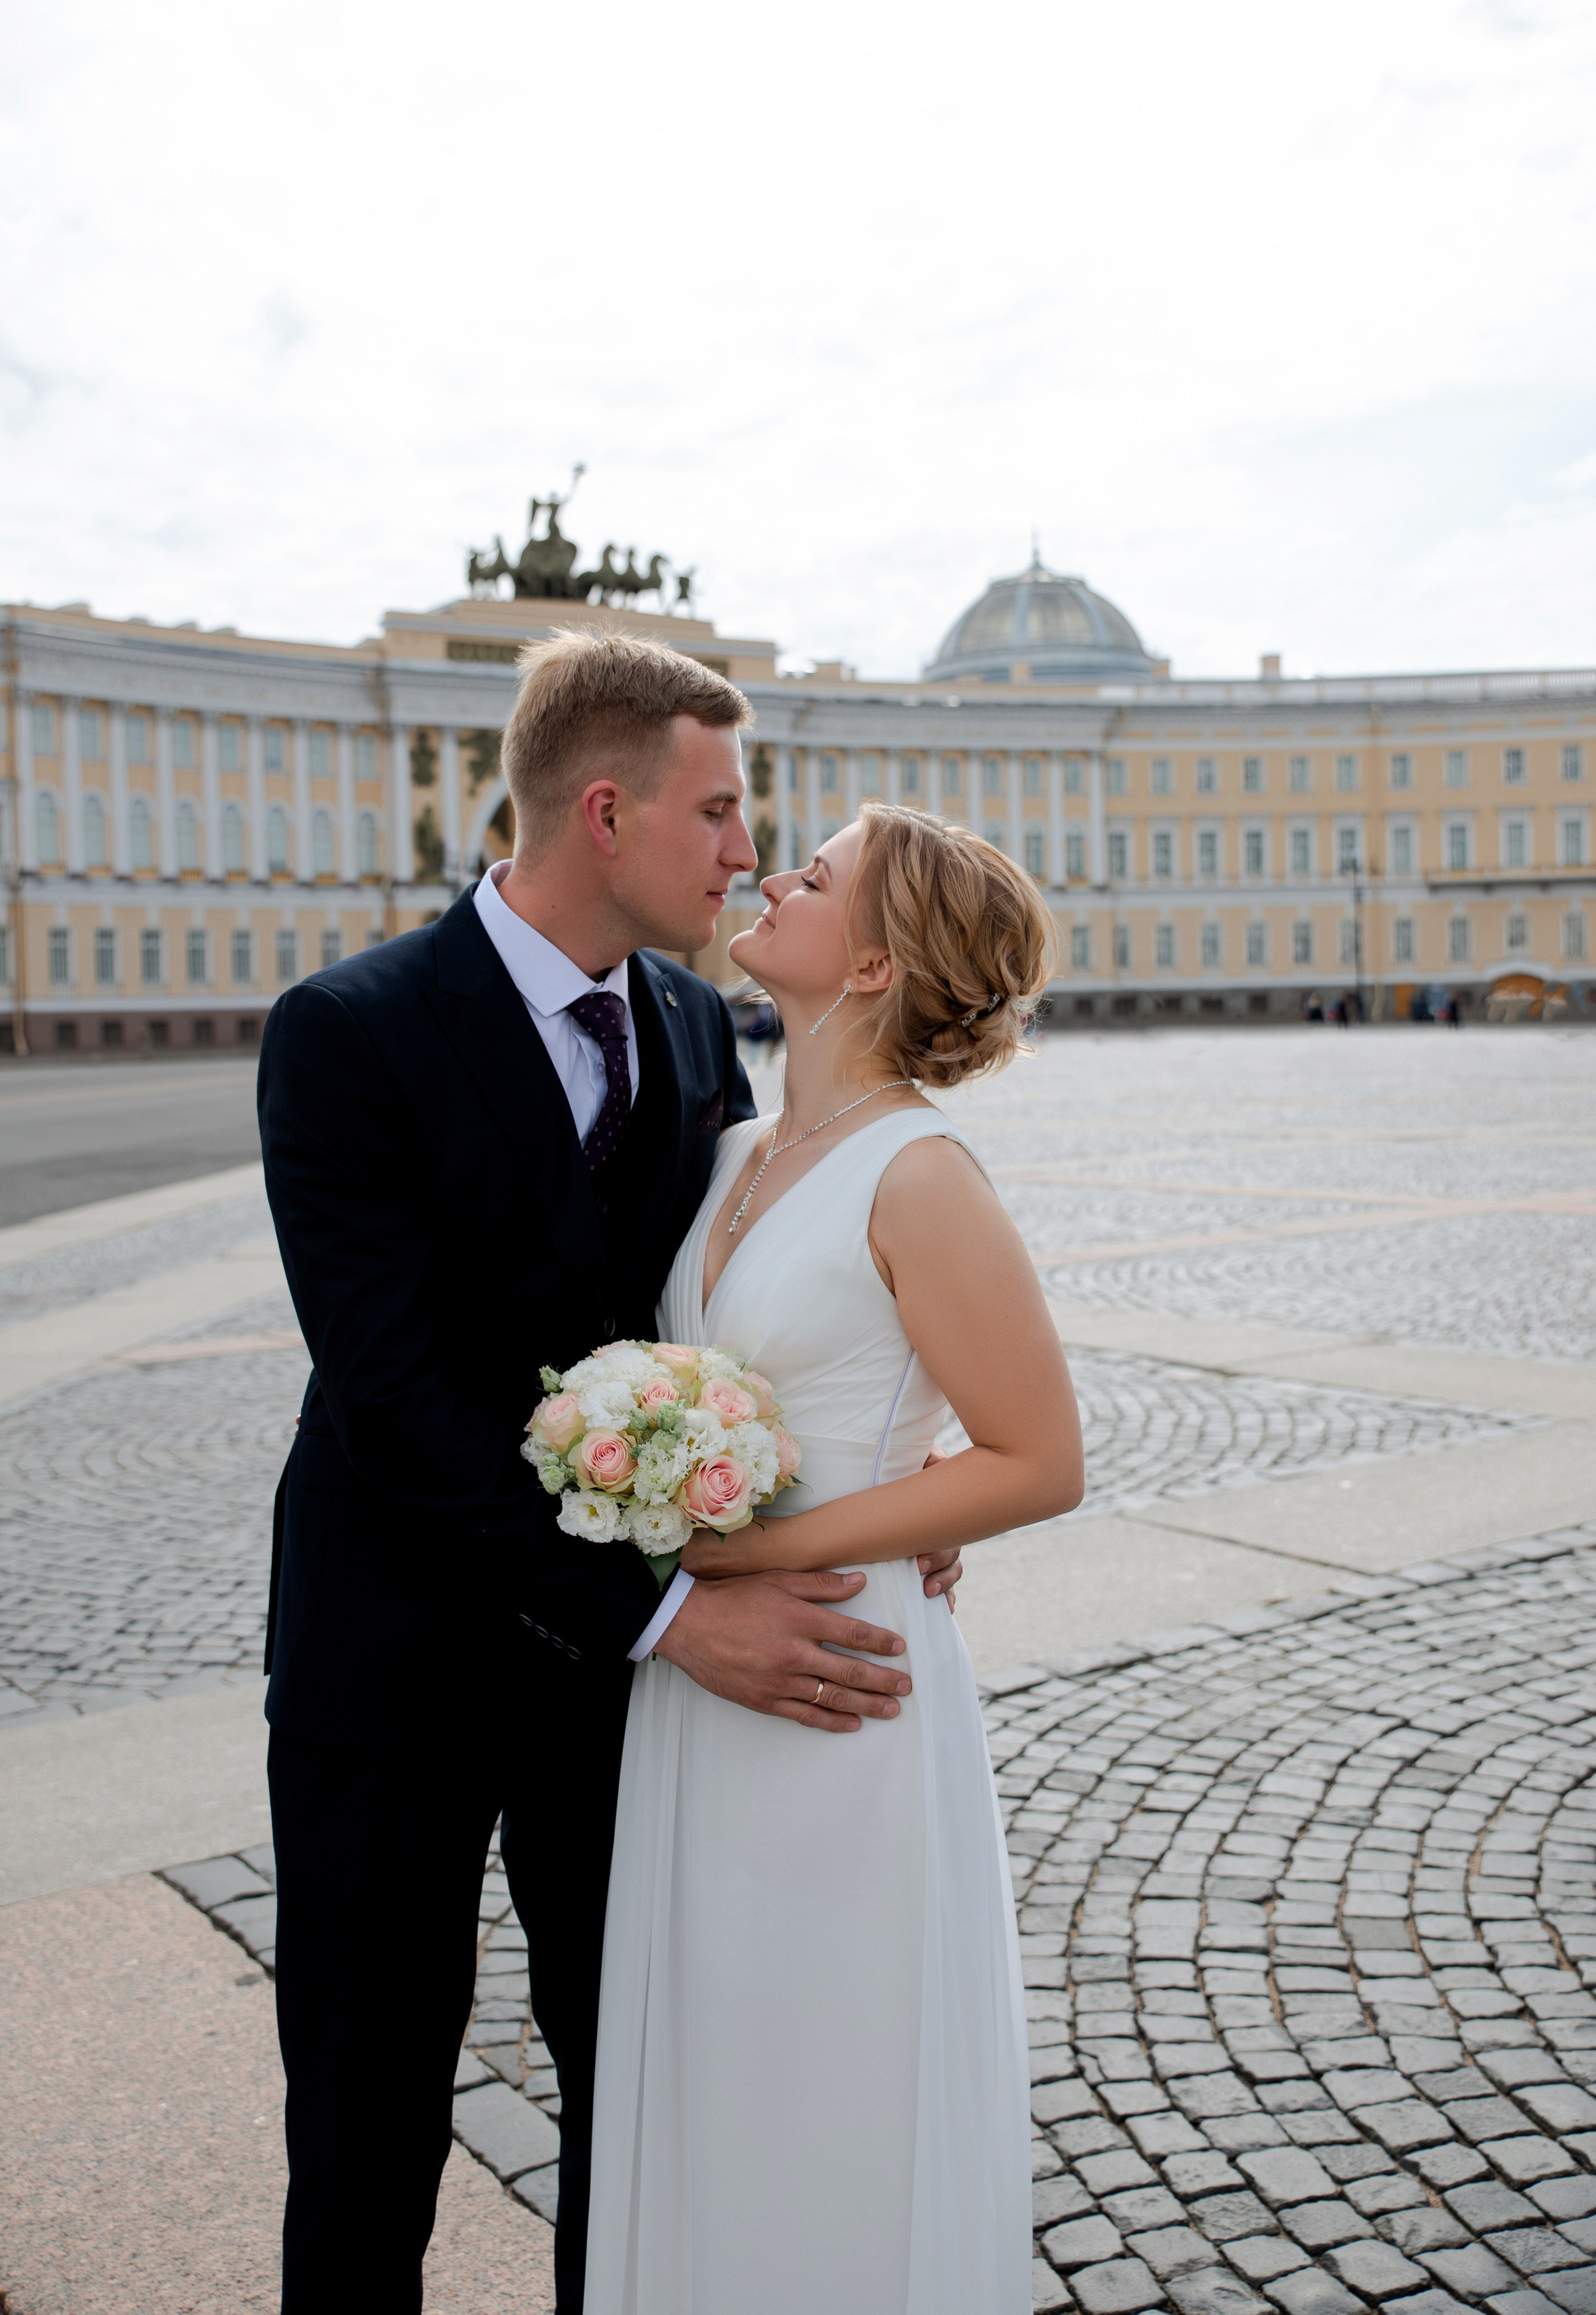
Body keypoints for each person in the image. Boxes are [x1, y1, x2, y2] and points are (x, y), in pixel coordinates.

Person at [256, 632, 961, 2311]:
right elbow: (396, 1407)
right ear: (602, 811)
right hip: (398, 1662)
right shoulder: (346, 1033)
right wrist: (659, 1621)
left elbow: (737, 1328)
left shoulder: (696, 1026)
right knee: (368, 2129)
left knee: (641, 2099)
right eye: (720, 811)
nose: (744, 848)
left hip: (615, 1702)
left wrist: (889, 1476)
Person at [585, 803, 1085, 2314]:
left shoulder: (922, 1174)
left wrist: (777, 1545)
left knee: (833, 2066)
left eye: (813, 874)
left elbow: (1038, 1459)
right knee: (717, 2054)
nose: (766, 874)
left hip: (837, 1680)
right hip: (701, 1681)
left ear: (871, 960)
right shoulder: (734, 1143)